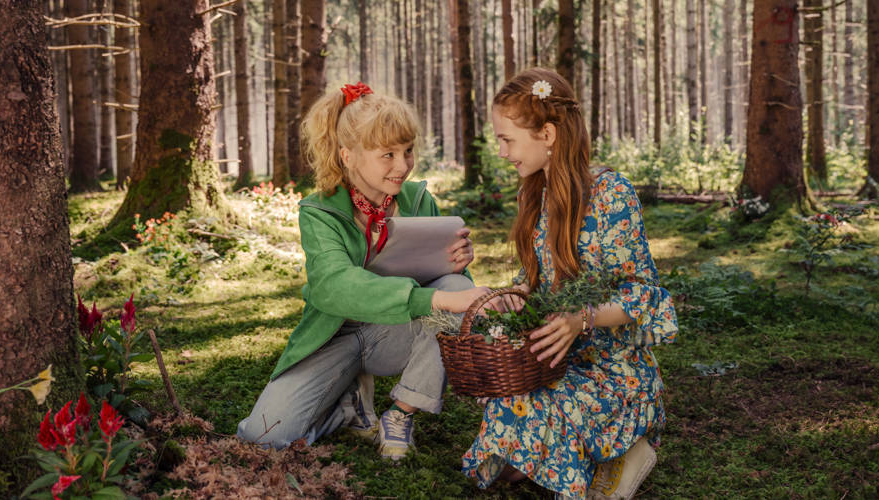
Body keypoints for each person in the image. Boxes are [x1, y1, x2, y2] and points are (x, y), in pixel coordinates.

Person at [237, 82, 492, 461]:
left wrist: (456, 266)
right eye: (388, 154)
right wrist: (435, 297)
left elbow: (453, 293)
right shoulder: (320, 211)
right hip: (333, 337)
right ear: (349, 156)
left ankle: (401, 413)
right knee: (263, 436)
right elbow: (334, 287)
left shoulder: (419, 201)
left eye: (408, 151)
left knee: (454, 285)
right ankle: (347, 406)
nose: (403, 166)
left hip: (395, 333)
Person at [460, 68, 679, 499]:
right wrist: (514, 299)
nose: (502, 152)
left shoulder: (611, 194)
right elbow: (536, 282)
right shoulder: (533, 193)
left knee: (529, 419)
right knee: (506, 451)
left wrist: (583, 319)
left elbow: (646, 296)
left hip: (616, 373)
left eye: (507, 140)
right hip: (558, 366)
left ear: (547, 134)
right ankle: (589, 457)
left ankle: (622, 453)